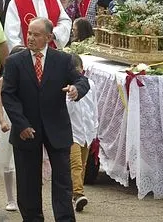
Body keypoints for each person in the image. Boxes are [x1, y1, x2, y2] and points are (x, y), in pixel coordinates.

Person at [1, 17, 90, 222]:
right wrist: (21, 124)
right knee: (28, 181)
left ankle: (65, 218)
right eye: (29, 33)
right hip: (26, 129)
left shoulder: (63, 60)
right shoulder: (15, 62)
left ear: (49, 37)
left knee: (62, 180)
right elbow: (8, 95)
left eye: (36, 34)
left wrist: (76, 89)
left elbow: (81, 80)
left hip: (56, 128)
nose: (30, 38)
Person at [5, 0, 72, 50]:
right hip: (26, 53)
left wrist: (54, 34)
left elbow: (65, 21)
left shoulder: (54, 0)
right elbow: (11, 33)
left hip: (50, 51)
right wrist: (20, 52)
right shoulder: (16, 2)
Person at [66, 53, 98, 213]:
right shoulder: (66, 88)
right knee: (76, 164)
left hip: (87, 131)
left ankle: (75, 193)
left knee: (83, 164)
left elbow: (94, 108)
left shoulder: (90, 84)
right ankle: (79, 193)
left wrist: (94, 128)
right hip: (72, 132)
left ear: (82, 69)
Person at [0, 45, 26, 212]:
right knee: (8, 162)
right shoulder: (3, 81)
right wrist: (1, 121)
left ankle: (24, 197)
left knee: (24, 162)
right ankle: (10, 198)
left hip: (24, 120)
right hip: (8, 120)